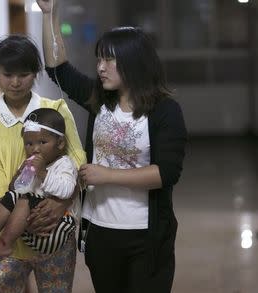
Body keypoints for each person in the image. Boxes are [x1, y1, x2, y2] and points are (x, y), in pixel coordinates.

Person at [37, 1, 188, 292]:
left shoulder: (165, 111)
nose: (100, 67)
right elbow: (57, 69)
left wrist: (106, 175)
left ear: (133, 63)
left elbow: (166, 173)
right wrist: (49, 14)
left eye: (108, 60)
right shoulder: (100, 99)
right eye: (98, 60)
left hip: (146, 237)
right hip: (101, 231)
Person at [0, 34, 86, 292]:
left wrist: (60, 204)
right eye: (7, 74)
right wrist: (24, 216)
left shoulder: (55, 108)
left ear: (35, 73)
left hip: (53, 230)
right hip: (7, 233)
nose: (15, 82)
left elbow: (78, 160)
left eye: (23, 74)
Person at [0, 108, 78, 258]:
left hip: (55, 229)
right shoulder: (28, 164)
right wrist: (18, 177)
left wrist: (43, 173)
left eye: (42, 142)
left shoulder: (64, 164)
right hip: (28, 229)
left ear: (59, 143)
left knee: (25, 200)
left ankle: (4, 245)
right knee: (13, 196)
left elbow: (67, 190)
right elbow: (15, 190)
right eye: (29, 144)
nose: (35, 149)